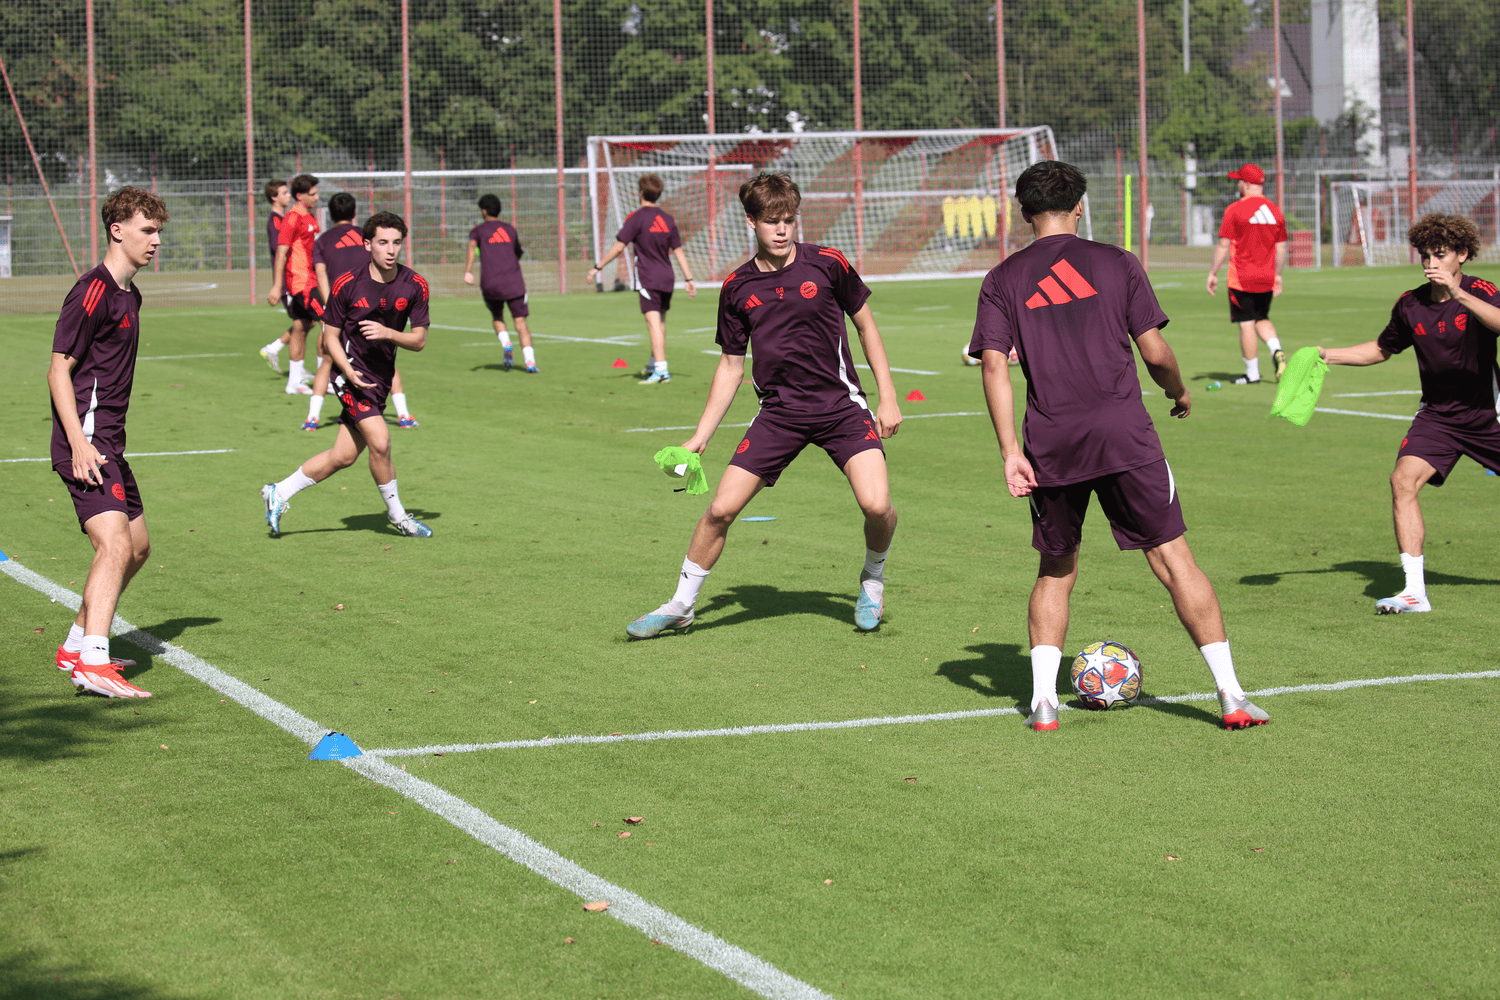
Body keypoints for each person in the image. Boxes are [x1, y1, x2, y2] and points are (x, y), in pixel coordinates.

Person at [970, 159, 1267, 732]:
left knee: (1056, 567)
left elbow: (993, 366)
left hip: (1052, 441)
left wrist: (1010, 451)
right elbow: (1154, 352)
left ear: (1024, 212)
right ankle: (1231, 696)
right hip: (1124, 433)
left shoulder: (1002, 278)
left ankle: (1044, 704)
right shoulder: (1117, 262)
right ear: (1079, 206)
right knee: (1174, 559)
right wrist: (1178, 390)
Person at [626, 172, 900, 638]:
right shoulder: (737, 287)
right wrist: (700, 437)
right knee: (720, 510)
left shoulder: (828, 263)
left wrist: (887, 397)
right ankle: (681, 605)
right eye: (772, 221)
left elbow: (866, 326)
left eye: (789, 219)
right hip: (780, 415)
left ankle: (872, 580)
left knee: (876, 505)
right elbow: (731, 366)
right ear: (751, 221)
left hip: (841, 408)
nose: (782, 229)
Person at [1318, 213, 1500, 614]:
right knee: (1402, 481)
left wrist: (1458, 293)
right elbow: (1381, 349)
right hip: (1438, 419)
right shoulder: (1410, 304)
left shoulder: (1480, 290)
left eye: (1440, 255)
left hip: (1488, 416)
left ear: (1462, 254)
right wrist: (1327, 355)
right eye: (1425, 256)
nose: (1431, 263)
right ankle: (1415, 591)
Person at [47, 187, 170, 699]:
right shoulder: (92, 292)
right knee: (114, 544)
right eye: (148, 230)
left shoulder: (130, 294)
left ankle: (77, 645)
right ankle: (94, 662)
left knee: (136, 549)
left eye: (159, 231)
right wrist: (78, 442)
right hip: (87, 443)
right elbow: (58, 370)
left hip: (110, 444)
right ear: (117, 230)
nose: (156, 241)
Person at [261, 212, 433, 538]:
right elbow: (329, 336)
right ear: (367, 244)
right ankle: (398, 516)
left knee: (342, 456)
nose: (391, 250)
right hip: (349, 374)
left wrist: (388, 333)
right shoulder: (347, 283)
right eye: (383, 242)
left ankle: (279, 491)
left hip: (379, 378)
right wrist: (349, 371)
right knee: (381, 442)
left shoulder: (415, 284)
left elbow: (419, 341)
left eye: (396, 242)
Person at [310, 192, 418, 429]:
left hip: (340, 307)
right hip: (370, 306)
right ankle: (403, 414)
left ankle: (313, 418)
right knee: (385, 358)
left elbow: (321, 276)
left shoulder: (323, 241)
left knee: (328, 359)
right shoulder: (369, 236)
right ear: (354, 212)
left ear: (330, 214)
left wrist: (331, 308)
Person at [587, 174, 697, 383]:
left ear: (640, 193)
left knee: (653, 324)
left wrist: (598, 267)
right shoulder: (667, 219)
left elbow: (619, 247)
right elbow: (678, 251)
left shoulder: (637, 218)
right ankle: (654, 363)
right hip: (667, 277)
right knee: (660, 323)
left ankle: (661, 370)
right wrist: (689, 278)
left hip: (649, 277)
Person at [1206, 163, 1288, 385]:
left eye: (1239, 181)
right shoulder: (1275, 211)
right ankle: (1277, 350)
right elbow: (1281, 247)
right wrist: (1278, 275)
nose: (1238, 185)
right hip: (1266, 276)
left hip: (1242, 278)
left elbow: (1223, 245)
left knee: (1246, 322)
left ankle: (1252, 373)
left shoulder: (1235, 209)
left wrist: (1213, 273)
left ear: (1247, 183)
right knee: (1261, 318)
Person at [464, 193, 535, 372]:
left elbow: (471, 246)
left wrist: (468, 271)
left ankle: (506, 344)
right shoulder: (510, 229)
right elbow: (518, 253)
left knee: (497, 317)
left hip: (491, 283)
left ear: (484, 211)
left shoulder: (478, 230)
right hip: (514, 283)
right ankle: (530, 362)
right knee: (521, 323)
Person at [267, 173, 321, 395]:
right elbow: (281, 253)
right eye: (313, 194)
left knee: (301, 326)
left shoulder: (308, 216)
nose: (317, 197)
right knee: (329, 324)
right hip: (302, 282)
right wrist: (276, 285)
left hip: (309, 279)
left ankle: (294, 383)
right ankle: (326, 379)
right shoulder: (292, 218)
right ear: (300, 196)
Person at [258, 179, 295, 374]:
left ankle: (276, 351)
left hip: (295, 277)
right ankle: (276, 351)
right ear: (274, 197)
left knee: (306, 321)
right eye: (284, 193)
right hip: (287, 280)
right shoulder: (275, 220)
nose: (288, 196)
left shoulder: (284, 218)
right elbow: (278, 247)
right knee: (305, 321)